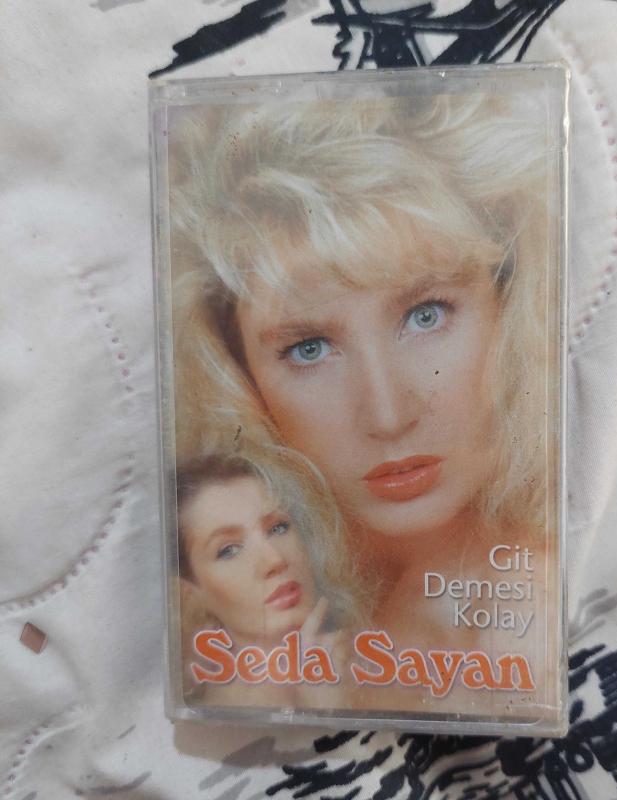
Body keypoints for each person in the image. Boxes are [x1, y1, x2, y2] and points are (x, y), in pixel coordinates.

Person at [169, 89, 560, 712]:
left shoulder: (559, 603)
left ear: (509, 306)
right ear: (240, 380)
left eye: (427, 314)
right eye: (308, 349)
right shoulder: (268, 660)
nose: (388, 415)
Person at [176, 451, 364, 708]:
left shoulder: (369, 666)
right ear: (190, 591)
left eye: (278, 528)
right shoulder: (212, 723)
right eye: (228, 550)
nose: (274, 560)